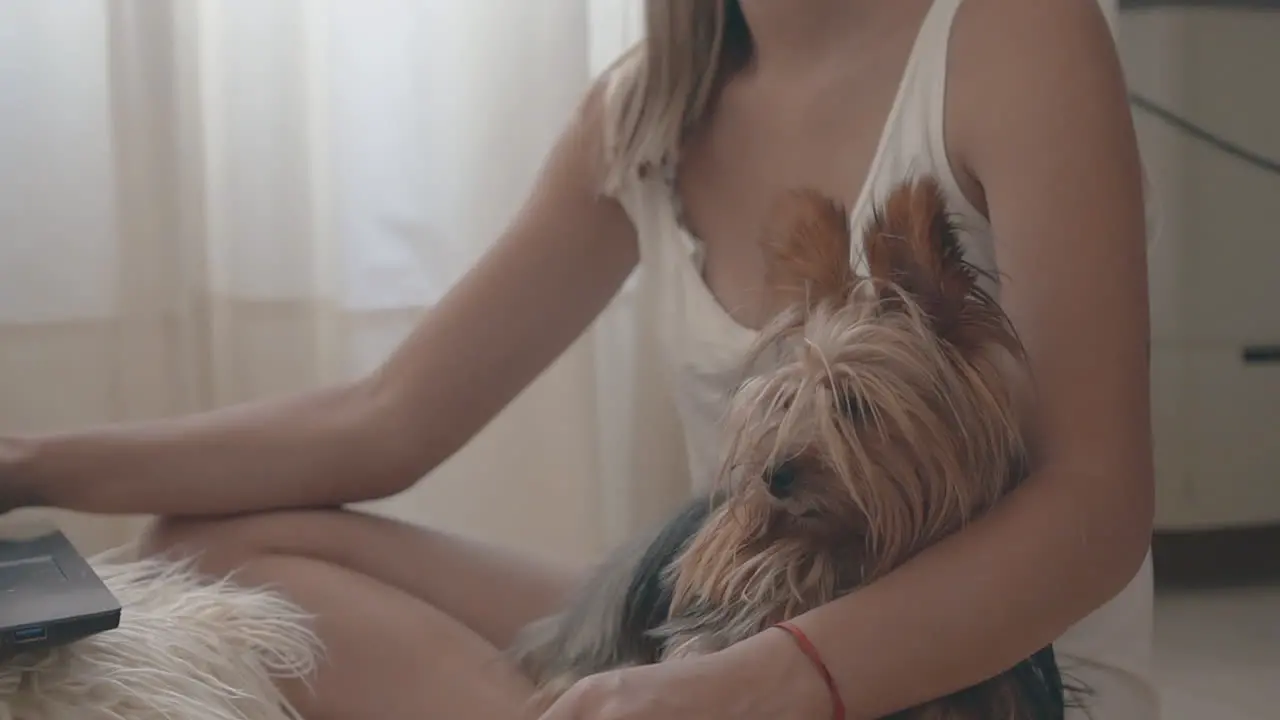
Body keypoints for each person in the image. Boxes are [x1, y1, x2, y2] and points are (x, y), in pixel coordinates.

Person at [0, 0, 1158, 718]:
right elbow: (386, 417)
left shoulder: (1015, 32)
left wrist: (771, 683)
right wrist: (28, 462)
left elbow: (1094, 507)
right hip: (733, 610)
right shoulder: (650, 109)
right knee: (210, 554)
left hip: (979, 677)